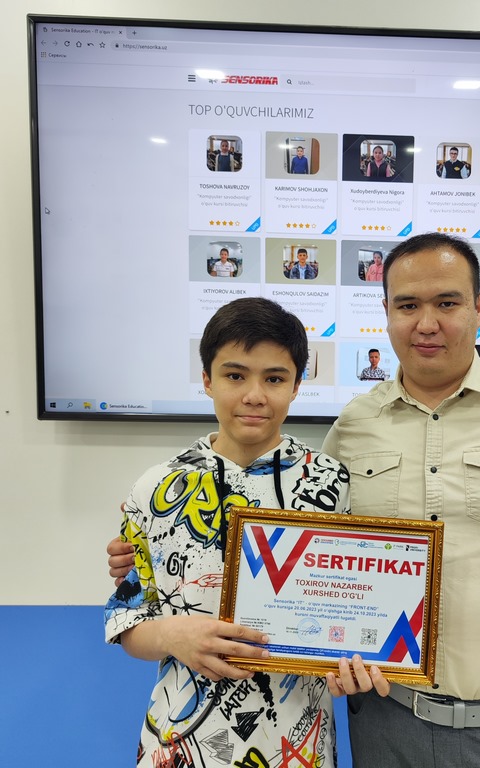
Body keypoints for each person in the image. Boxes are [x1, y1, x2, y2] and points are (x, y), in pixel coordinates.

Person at [109, 233, 480, 768]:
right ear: (387, 312)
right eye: (408, 305)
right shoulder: (353, 428)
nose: (427, 323)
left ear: (479, 307)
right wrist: (143, 551)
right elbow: (307, 550)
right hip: (384, 724)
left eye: (447, 303)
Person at [104, 297, 350, 768]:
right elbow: (128, 621)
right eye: (235, 376)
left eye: (274, 378)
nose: (254, 395)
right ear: (207, 379)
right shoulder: (156, 487)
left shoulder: (330, 483)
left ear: (297, 385)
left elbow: (352, 605)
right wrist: (172, 634)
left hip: (298, 742)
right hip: (179, 742)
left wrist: (350, 659)